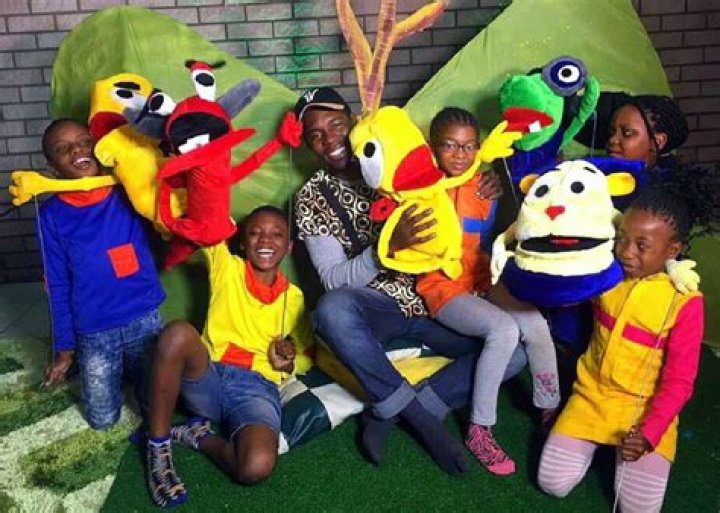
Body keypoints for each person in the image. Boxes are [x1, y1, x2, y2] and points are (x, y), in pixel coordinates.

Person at [293, 88, 526, 476]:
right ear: (306, 145)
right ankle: (422, 420)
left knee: (515, 351)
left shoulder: (401, 154)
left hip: (437, 302)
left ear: (354, 121)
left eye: (335, 125)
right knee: (331, 310)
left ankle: (394, 412)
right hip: (379, 309)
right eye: (315, 135)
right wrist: (384, 251)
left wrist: (481, 181)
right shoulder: (311, 197)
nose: (329, 139)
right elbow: (334, 280)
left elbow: (457, 172)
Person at [537, 163, 719, 512]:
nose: (626, 251)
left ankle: (630, 449)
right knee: (552, 483)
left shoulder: (685, 302)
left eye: (641, 245)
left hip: (644, 411)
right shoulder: (605, 272)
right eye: (622, 238)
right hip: (590, 397)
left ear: (672, 250)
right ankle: (591, 443)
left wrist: (650, 432)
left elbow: (680, 382)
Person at [417, 107, 559, 476]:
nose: (460, 155)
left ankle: (550, 410)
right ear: (432, 147)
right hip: (441, 286)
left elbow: (495, 237)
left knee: (535, 323)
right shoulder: (418, 187)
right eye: (450, 145)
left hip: (482, 278)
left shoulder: (486, 186)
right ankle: (480, 429)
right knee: (504, 330)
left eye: (469, 146)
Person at [145, 206, 315, 508]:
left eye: (277, 234)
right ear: (242, 242)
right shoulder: (227, 266)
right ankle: (158, 449)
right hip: (208, 376)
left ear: (289, 246)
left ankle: (198, 436)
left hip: (256, 388)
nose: (266, 240)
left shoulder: (295, 298)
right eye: (255, 233)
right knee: (177, 333)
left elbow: (307, 355)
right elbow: (204, 217)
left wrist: (287, 363)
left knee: (256, 466)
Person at [38, 118, 165, 430]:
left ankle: (130, 372)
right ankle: (103, 368)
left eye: (84, 142)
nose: (77, 150)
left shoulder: (128, 191)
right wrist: (64, 350)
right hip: (94, 330)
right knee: (102, 420)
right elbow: (57, 284)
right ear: (52, 167)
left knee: (159, 409)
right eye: (63, 149)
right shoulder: (50, 215)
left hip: (143, 318)